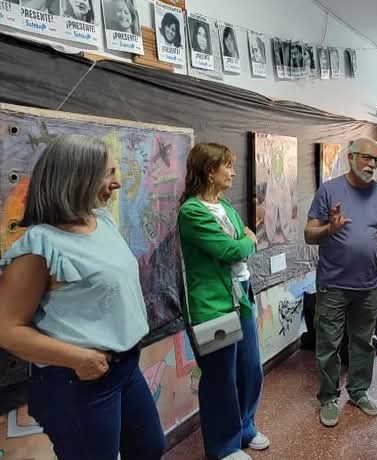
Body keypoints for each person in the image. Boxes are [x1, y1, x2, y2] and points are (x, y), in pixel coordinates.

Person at [0, 135, 165, 460]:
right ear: (76, 177)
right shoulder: (41, 245)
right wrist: (79, 359)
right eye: (108, 173)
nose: (117, 183)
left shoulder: (101, 220)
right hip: (76, 378)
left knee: (148, 449)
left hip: (124, 366)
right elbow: (6, 328)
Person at [304, 137, 377, 427]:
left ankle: (359, 391)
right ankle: (328, 398)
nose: (371, 164)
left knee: (363, 343)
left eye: (375, 160)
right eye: (366, 157)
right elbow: (309, 234)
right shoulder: (329, 190)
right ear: (350, 157)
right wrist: (330, 229)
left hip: (368, 285)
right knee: (328, 345)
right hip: (332, 284)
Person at [177, 143, 269, 460]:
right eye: (226, 166)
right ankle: (223, 446)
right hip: (212, 307)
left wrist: (243, 241)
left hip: (240, 296)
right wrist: (248, 241)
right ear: (209, 171)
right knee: (220, 378)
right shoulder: (191, 212)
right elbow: (232, 249)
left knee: (250, 370)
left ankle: (245, 427)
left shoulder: (224, 205)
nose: (232, 172)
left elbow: (239, 240)